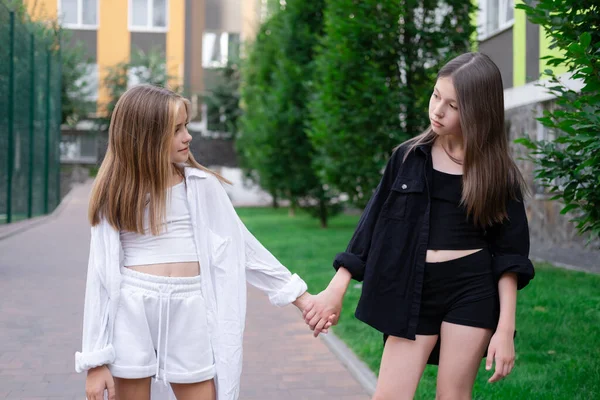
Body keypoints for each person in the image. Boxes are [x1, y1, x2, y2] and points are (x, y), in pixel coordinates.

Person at [303, 52, 535, 399]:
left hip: (472, 290)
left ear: (478, 111)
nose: (437, 110)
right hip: (412, 286)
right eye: (436, 95)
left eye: (453, 105)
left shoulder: (496, 173)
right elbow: (372, 225)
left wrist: (505, 329)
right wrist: (337, 288)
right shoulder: (408, 157)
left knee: (452, 395)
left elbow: (509, 257)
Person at [75, 84, 330, 400]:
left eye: (186, 126)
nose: (188, 136)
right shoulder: (114, 195)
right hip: (131, 309)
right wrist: (95, 361)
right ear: (146, 137)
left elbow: (243, 248)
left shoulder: (201, 186)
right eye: (177, 129)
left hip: (191, 306)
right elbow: (100, 279)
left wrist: (302, 298)